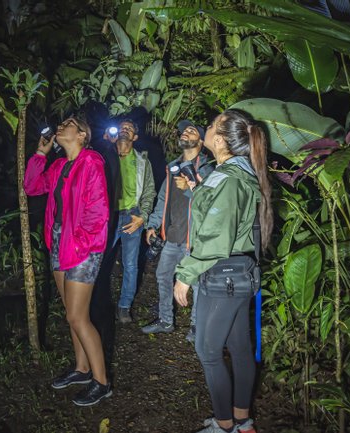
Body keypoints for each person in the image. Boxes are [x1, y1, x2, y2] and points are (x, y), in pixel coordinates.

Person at [173, 110, 273, 433]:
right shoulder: (233, 173)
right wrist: (196, 188)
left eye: (213, 123)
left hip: (223, 276)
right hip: (239, 274)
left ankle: (224, 424)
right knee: (240, 349)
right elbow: (220, 215)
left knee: (208, 350)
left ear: (218, 139)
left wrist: (185, 275)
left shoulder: (230, 178)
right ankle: (242, 422)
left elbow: (216, 237)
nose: (207, 125)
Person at [23, 116, 112, 407]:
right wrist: (40, 154)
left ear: (83, 134)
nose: (60, 126)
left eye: (68, 124)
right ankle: (81, 369)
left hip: (83, 247)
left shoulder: (91, 162)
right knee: (70, 312)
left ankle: (101, 383)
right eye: (60, 124)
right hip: (60, 243)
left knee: (77, 316)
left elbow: (98, 213)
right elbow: (32, 187)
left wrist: (83, 245)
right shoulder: (60, 166)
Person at [141, 120, 213, 341]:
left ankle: (195, 327)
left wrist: (192, 189)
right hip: (172, 235)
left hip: (195, 239)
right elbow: (163, 199)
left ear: (201, 141)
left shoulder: (208, 169)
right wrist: (152, 224)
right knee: (163, 275)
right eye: (184, 130)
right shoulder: (172, 166)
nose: (185, 132)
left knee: (198, 283)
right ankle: (165, 320)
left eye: (192, 130)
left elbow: (212, 204)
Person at [102, 119, 156, 324]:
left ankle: (124, 307)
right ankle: (96, 300)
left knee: (131, 264)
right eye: (122, 126)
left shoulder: (142, 161)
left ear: (135, 137)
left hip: (131, 215)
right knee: (99, 259)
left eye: (130, 128)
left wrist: (143, 216)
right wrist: (106, 144)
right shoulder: (105, 155)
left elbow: (149, 190)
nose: (125, 129)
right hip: (107, 215)